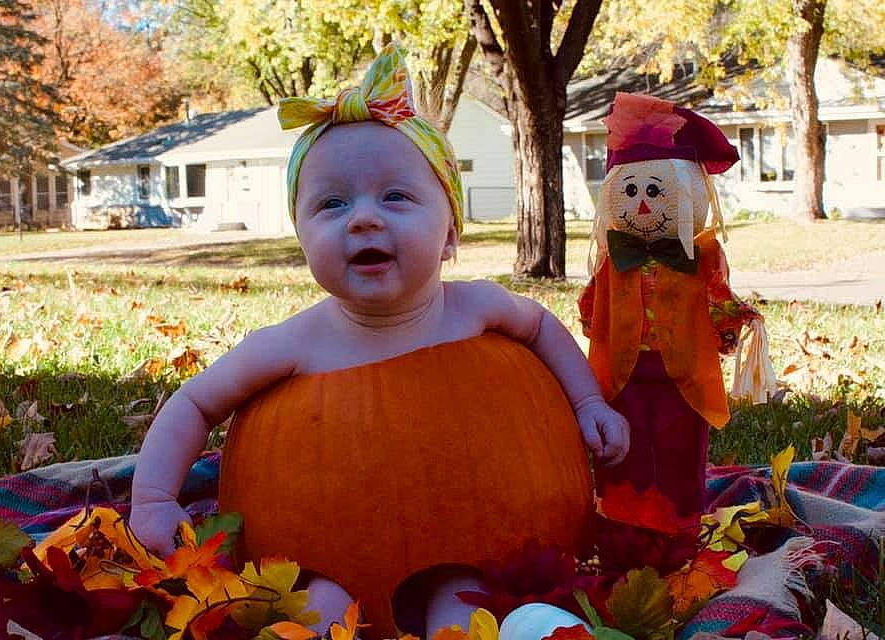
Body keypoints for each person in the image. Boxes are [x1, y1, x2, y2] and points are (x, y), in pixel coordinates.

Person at [130, 45, 629, 639]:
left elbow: (544, 326)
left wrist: (587, 404)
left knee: (462, 605)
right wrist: (156, 497)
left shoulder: (477, 308)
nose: (363, 219)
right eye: (331, 204)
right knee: (318, 607)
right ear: (303, 238)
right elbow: (194, 403)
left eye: (395, 197)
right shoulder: (295, 343)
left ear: (449, 236)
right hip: (322, 551)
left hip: (470, 543)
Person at [578, 92, 769, 535]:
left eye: (655, 191)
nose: (643, 202)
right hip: (623, 372)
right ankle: (622, 512)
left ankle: (678, 516)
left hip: (682, 371)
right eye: (630, 191)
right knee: (625, 441)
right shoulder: (613, 257)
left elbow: (716, 297)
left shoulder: (702, 255)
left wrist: (732, 324)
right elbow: (594, 303)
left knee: (679, 440)